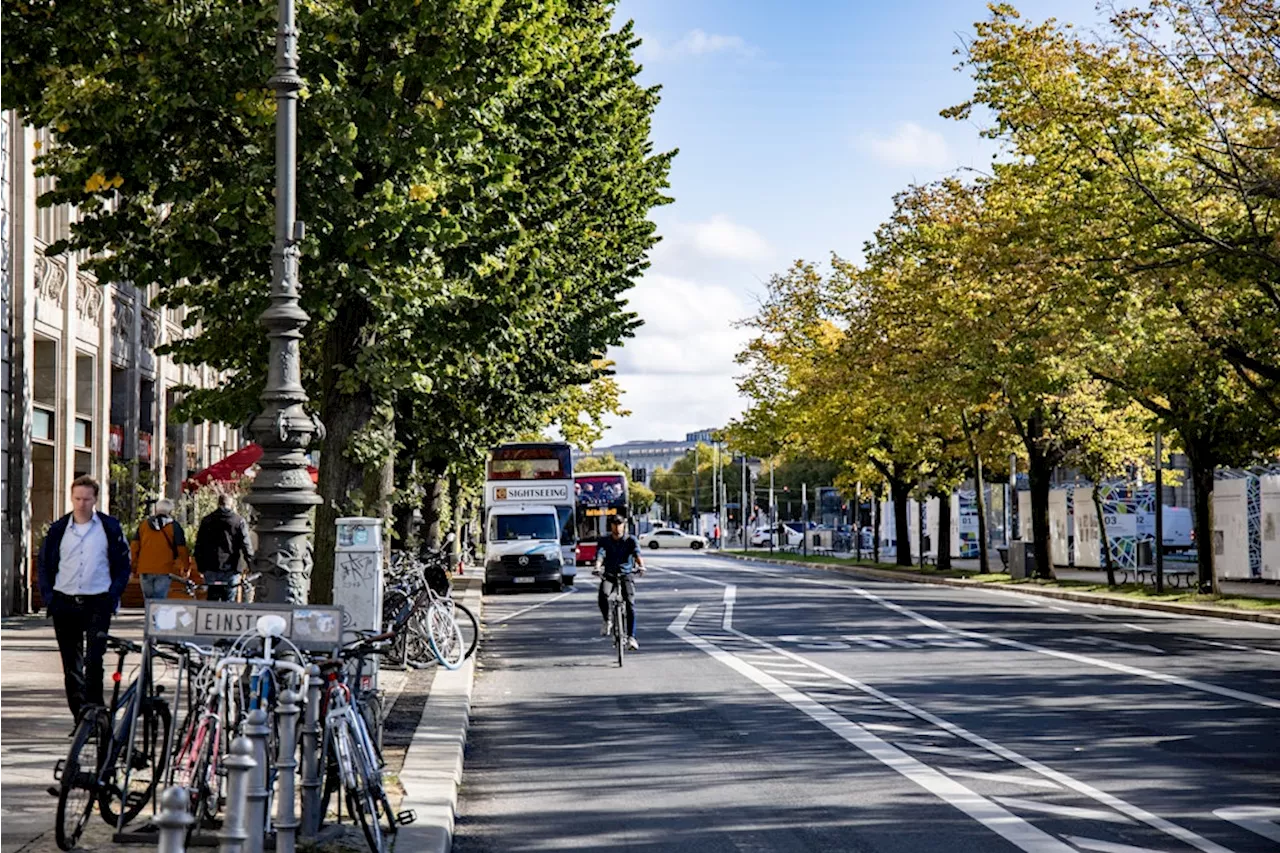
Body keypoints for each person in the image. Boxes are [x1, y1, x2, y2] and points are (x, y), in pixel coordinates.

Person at [36, 475, 132, 719]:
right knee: (71, 664)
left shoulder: (109, 528)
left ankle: (96, 711)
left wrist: (113, 595)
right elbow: (45, 564)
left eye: (86, 499)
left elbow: (123, 564)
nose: (81, 504)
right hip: (64, 601)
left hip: (97, 600)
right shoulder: (59, 529)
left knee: (95, 660)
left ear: (95, 500)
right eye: (77, 498)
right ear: (71, 498)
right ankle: (80, 716)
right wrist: (49, 597)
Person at [593, 514, 644, 650]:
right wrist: (597, 567)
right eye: (614, 524)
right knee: (603, 594)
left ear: (624, 525)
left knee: (630, 603)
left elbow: (637, 554)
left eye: (619, 524)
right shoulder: (604, 540)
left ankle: (631, 637)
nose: (617, 527)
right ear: (611, 526)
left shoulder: (630, 540)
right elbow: (600, 554)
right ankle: (607, 620)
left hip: (625, 574)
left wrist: (641, 566)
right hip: (610, 574)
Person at [193, 493, 254, 602]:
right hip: (232, 567)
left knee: (212, 599)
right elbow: (246, 545)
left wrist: (201, 567)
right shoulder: (239, 521)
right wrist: (251, 565)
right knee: (229, 601)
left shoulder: (207, 520)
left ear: (218, 503)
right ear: (231, 504)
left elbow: (199, 545)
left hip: (211, 566)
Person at [130, 497, 190, 599]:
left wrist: (134, 565)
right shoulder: (174, 526)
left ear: (156, 509)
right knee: (159, 601)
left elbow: (134, 547)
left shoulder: (143, 525)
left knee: (148, 601)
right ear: (170, 511)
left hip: (145, 568)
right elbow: (182, 549)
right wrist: (185, 567)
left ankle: (149, 615)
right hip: (164, 569)